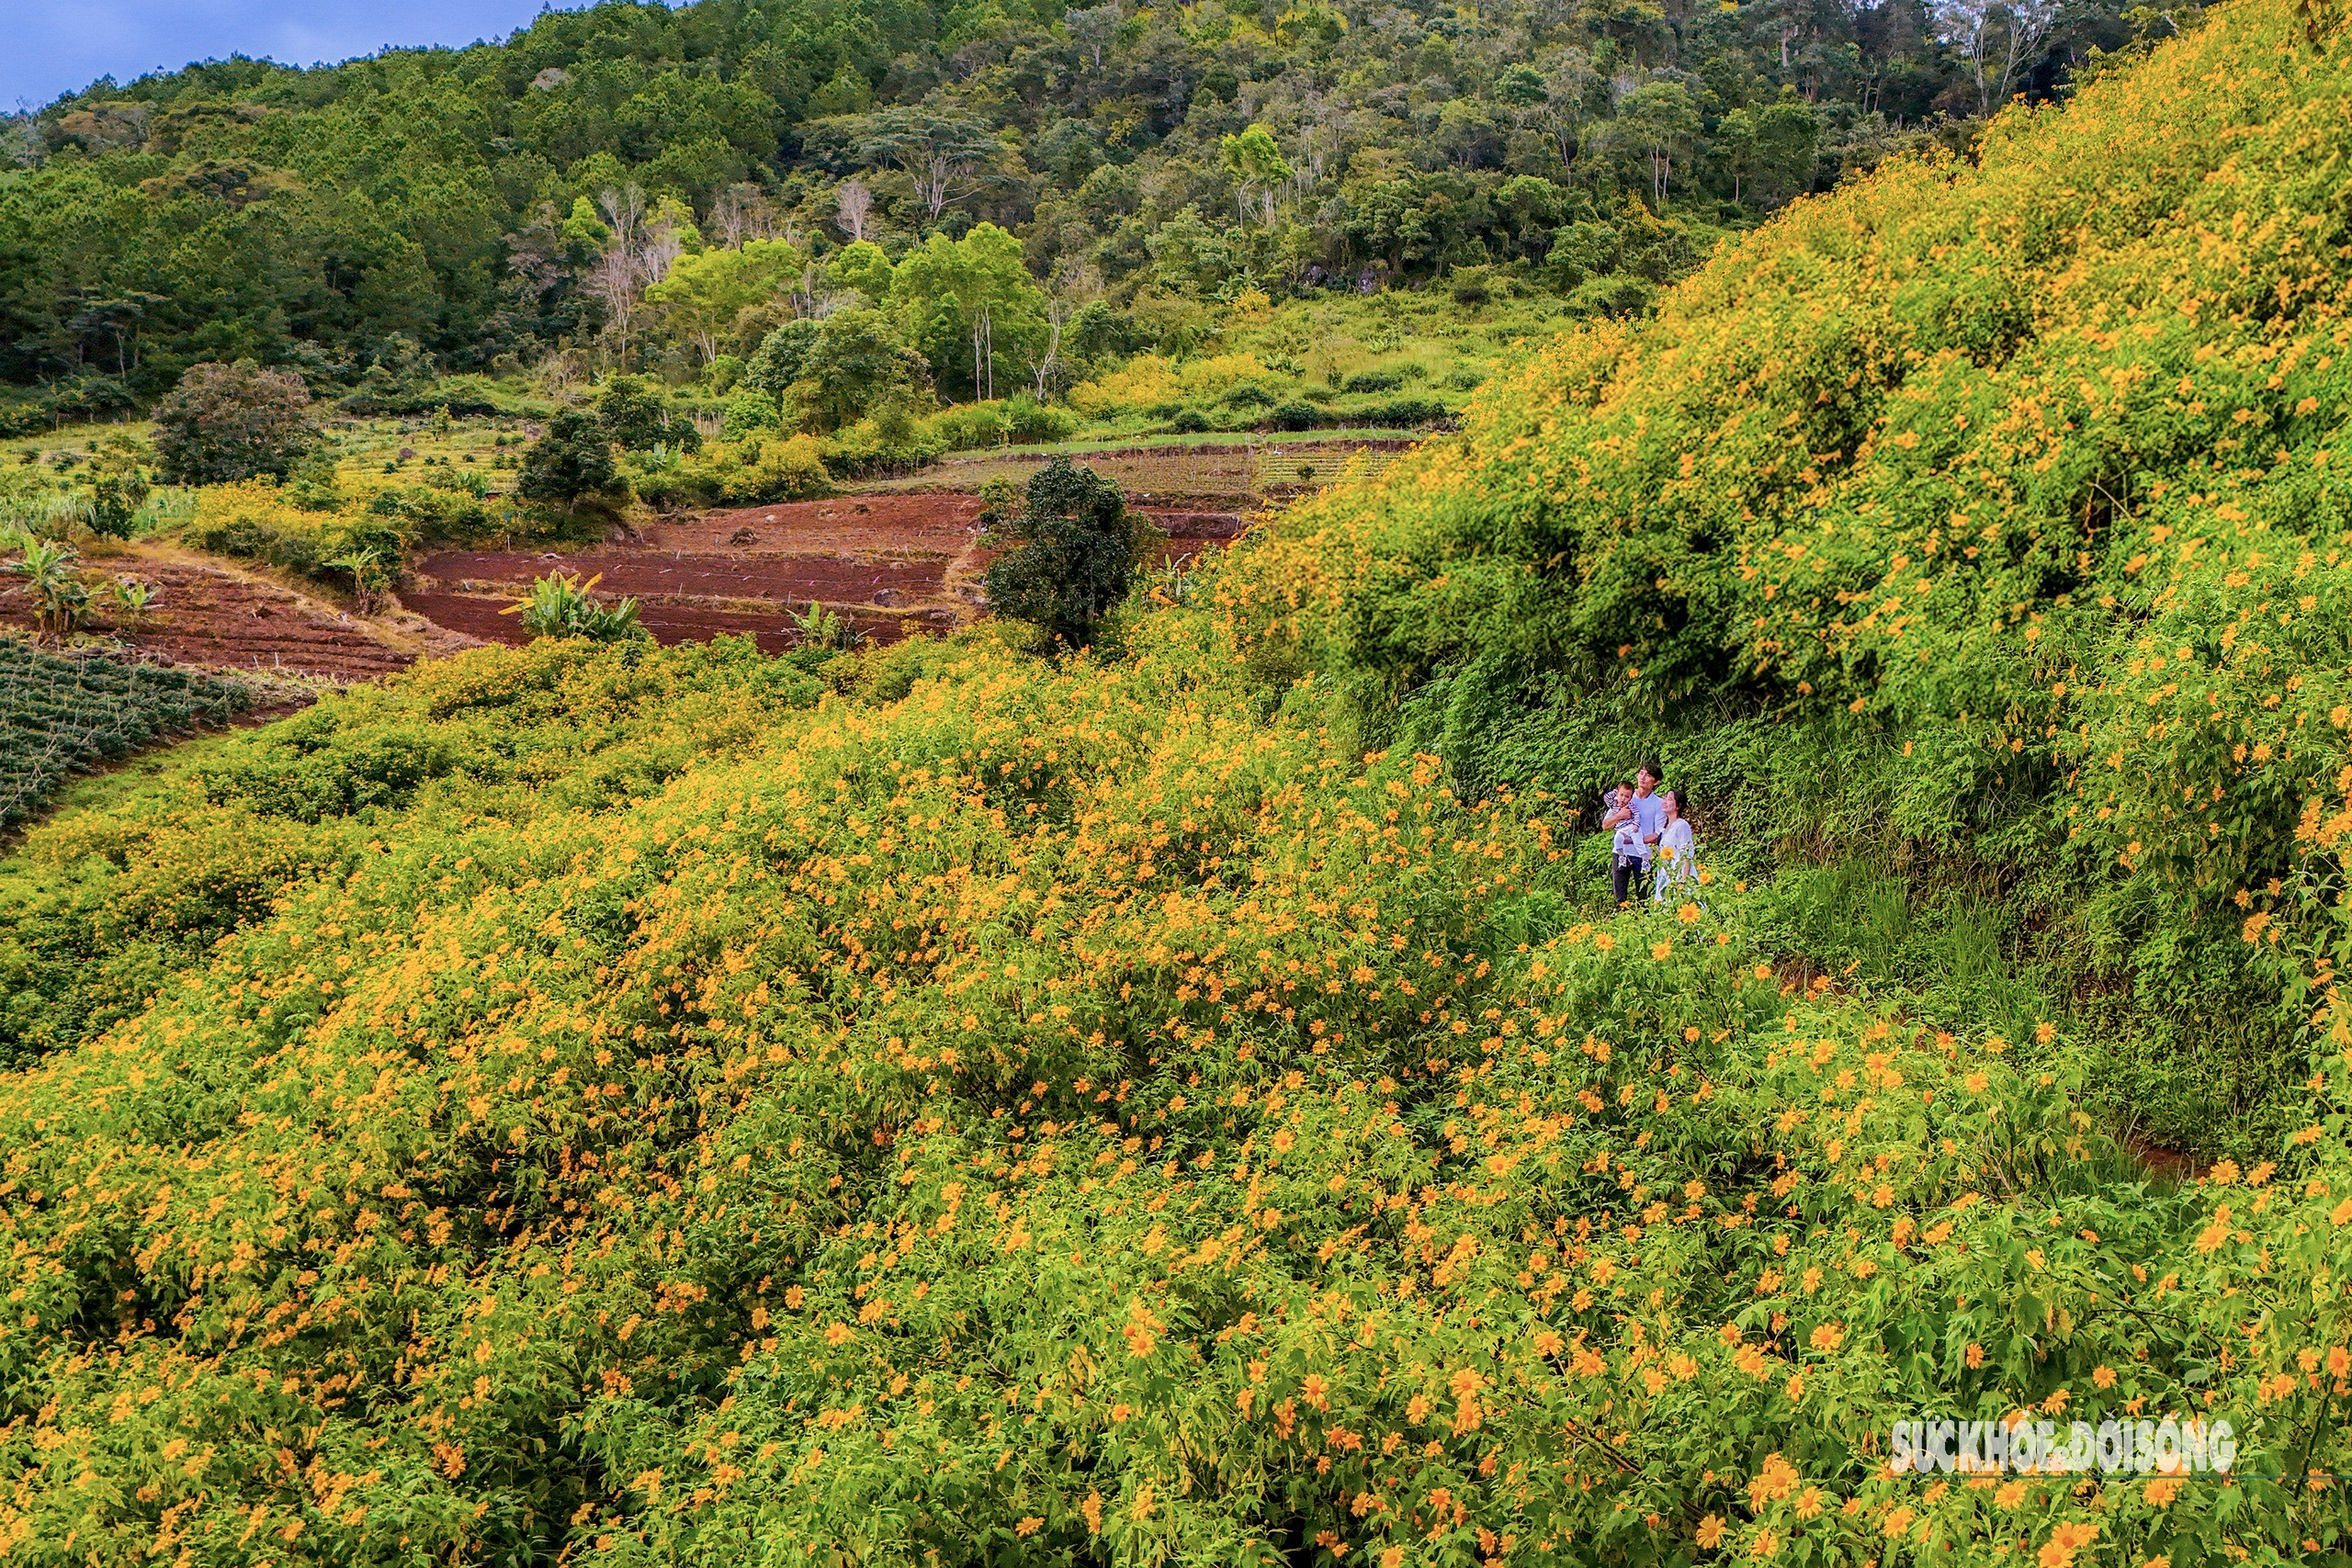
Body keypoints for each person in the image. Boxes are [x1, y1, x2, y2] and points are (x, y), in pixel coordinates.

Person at [1651, 786, 1696, 906]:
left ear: (1678, 805)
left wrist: (1684, 881)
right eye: (1665, 797)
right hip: (1666, 874)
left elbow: (1686, 854)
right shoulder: (1665, 827)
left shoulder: (1681, 825)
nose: (1665, 801)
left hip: (1678, 874)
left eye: (1670, 799)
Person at [1603, 781, 1644, 906]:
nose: (1623, 798)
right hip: (1620, 851)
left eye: (1627, 796)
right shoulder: (1615, 806)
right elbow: (1605, 825)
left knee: (1643, 892)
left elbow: (1637, 818)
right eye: (1621, 795)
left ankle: (1644, 918)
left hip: (1639, 853)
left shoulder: (1634, 806)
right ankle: (1620, 916)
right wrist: (1619, 816)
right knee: (1619, 893)